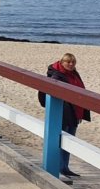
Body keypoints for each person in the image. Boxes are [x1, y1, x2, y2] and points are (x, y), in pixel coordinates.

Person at [37, 53, 91, 181]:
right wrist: (48, 106)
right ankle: (57, 167)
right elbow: (43, 91)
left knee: (69, 140)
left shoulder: (74, 74)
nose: (71, 64)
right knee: (59, 140)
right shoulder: (56, 75)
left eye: (73, 62)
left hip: (75, 111)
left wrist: (82, 111)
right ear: (62, 62)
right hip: (63, 112)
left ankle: (64, 167)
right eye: (68, 62)